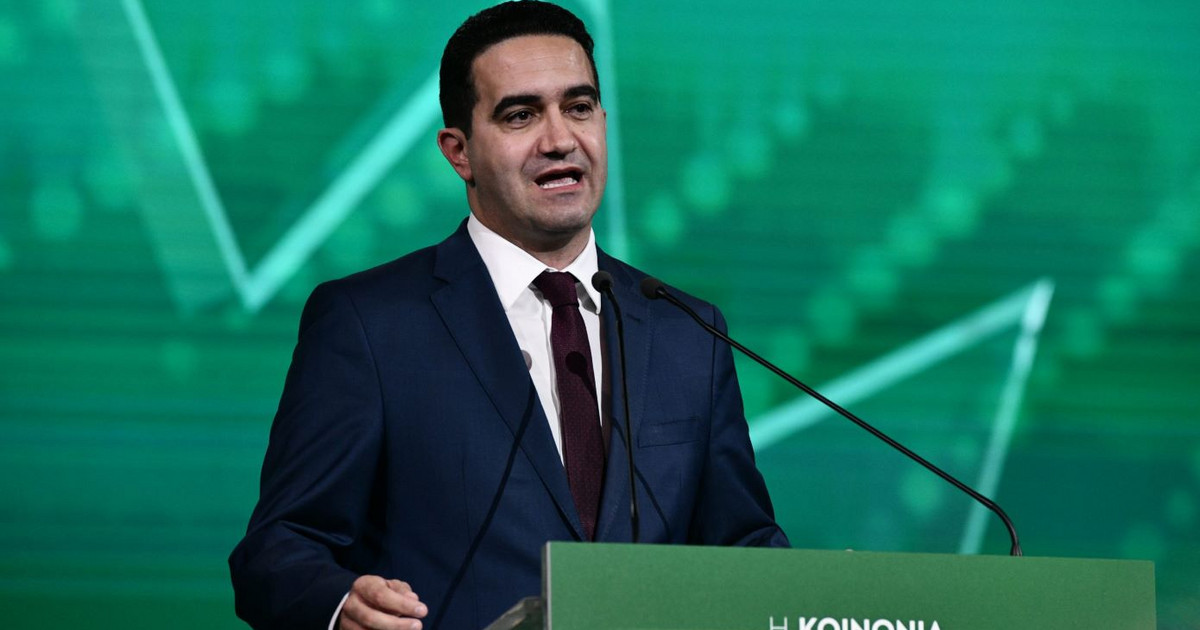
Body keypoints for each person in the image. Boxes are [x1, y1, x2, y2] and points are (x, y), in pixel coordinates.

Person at [229, 2, 789, 629]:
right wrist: (340, 605)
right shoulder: (369, 324)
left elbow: (745, 545)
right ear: (459, 152)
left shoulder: (687, 330)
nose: (560, 139)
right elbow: (277, 550)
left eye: (579, 107)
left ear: (603, 123)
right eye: (521, 115)